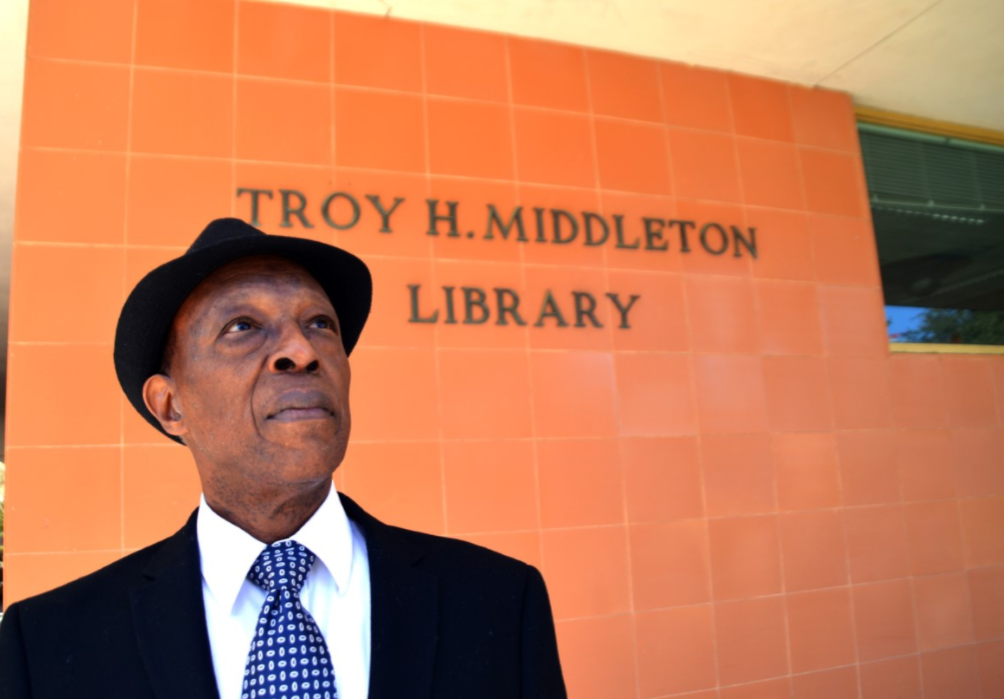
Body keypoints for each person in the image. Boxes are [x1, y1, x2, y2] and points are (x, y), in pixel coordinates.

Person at [0, 218, 567, 699]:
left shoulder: (497, 603)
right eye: (241, 327)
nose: (301, 351)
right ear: (171, 407)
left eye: (320, 324)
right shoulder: (49, 644)